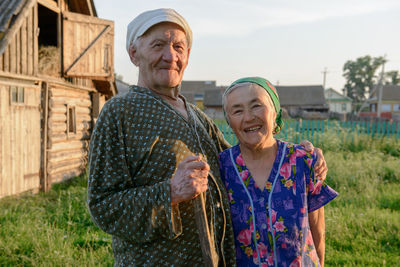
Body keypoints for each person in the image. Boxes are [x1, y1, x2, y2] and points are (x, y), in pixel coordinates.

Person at [87, 8, 328, 266]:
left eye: (178, 47)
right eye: (158, 45)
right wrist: (171, 192)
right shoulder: (120, 112)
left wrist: (300, 156)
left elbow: (243, 163)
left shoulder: (198, 117)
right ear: (134, 53)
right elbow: (103, 204)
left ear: (187, 56)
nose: (170, 56)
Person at [218, 77, 338, 267]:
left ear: (275, 113)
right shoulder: (221, 168)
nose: (248, 117)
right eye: (238, 110)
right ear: (229, 122)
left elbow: (317, 232)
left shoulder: (304, 161)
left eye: (256, 106)